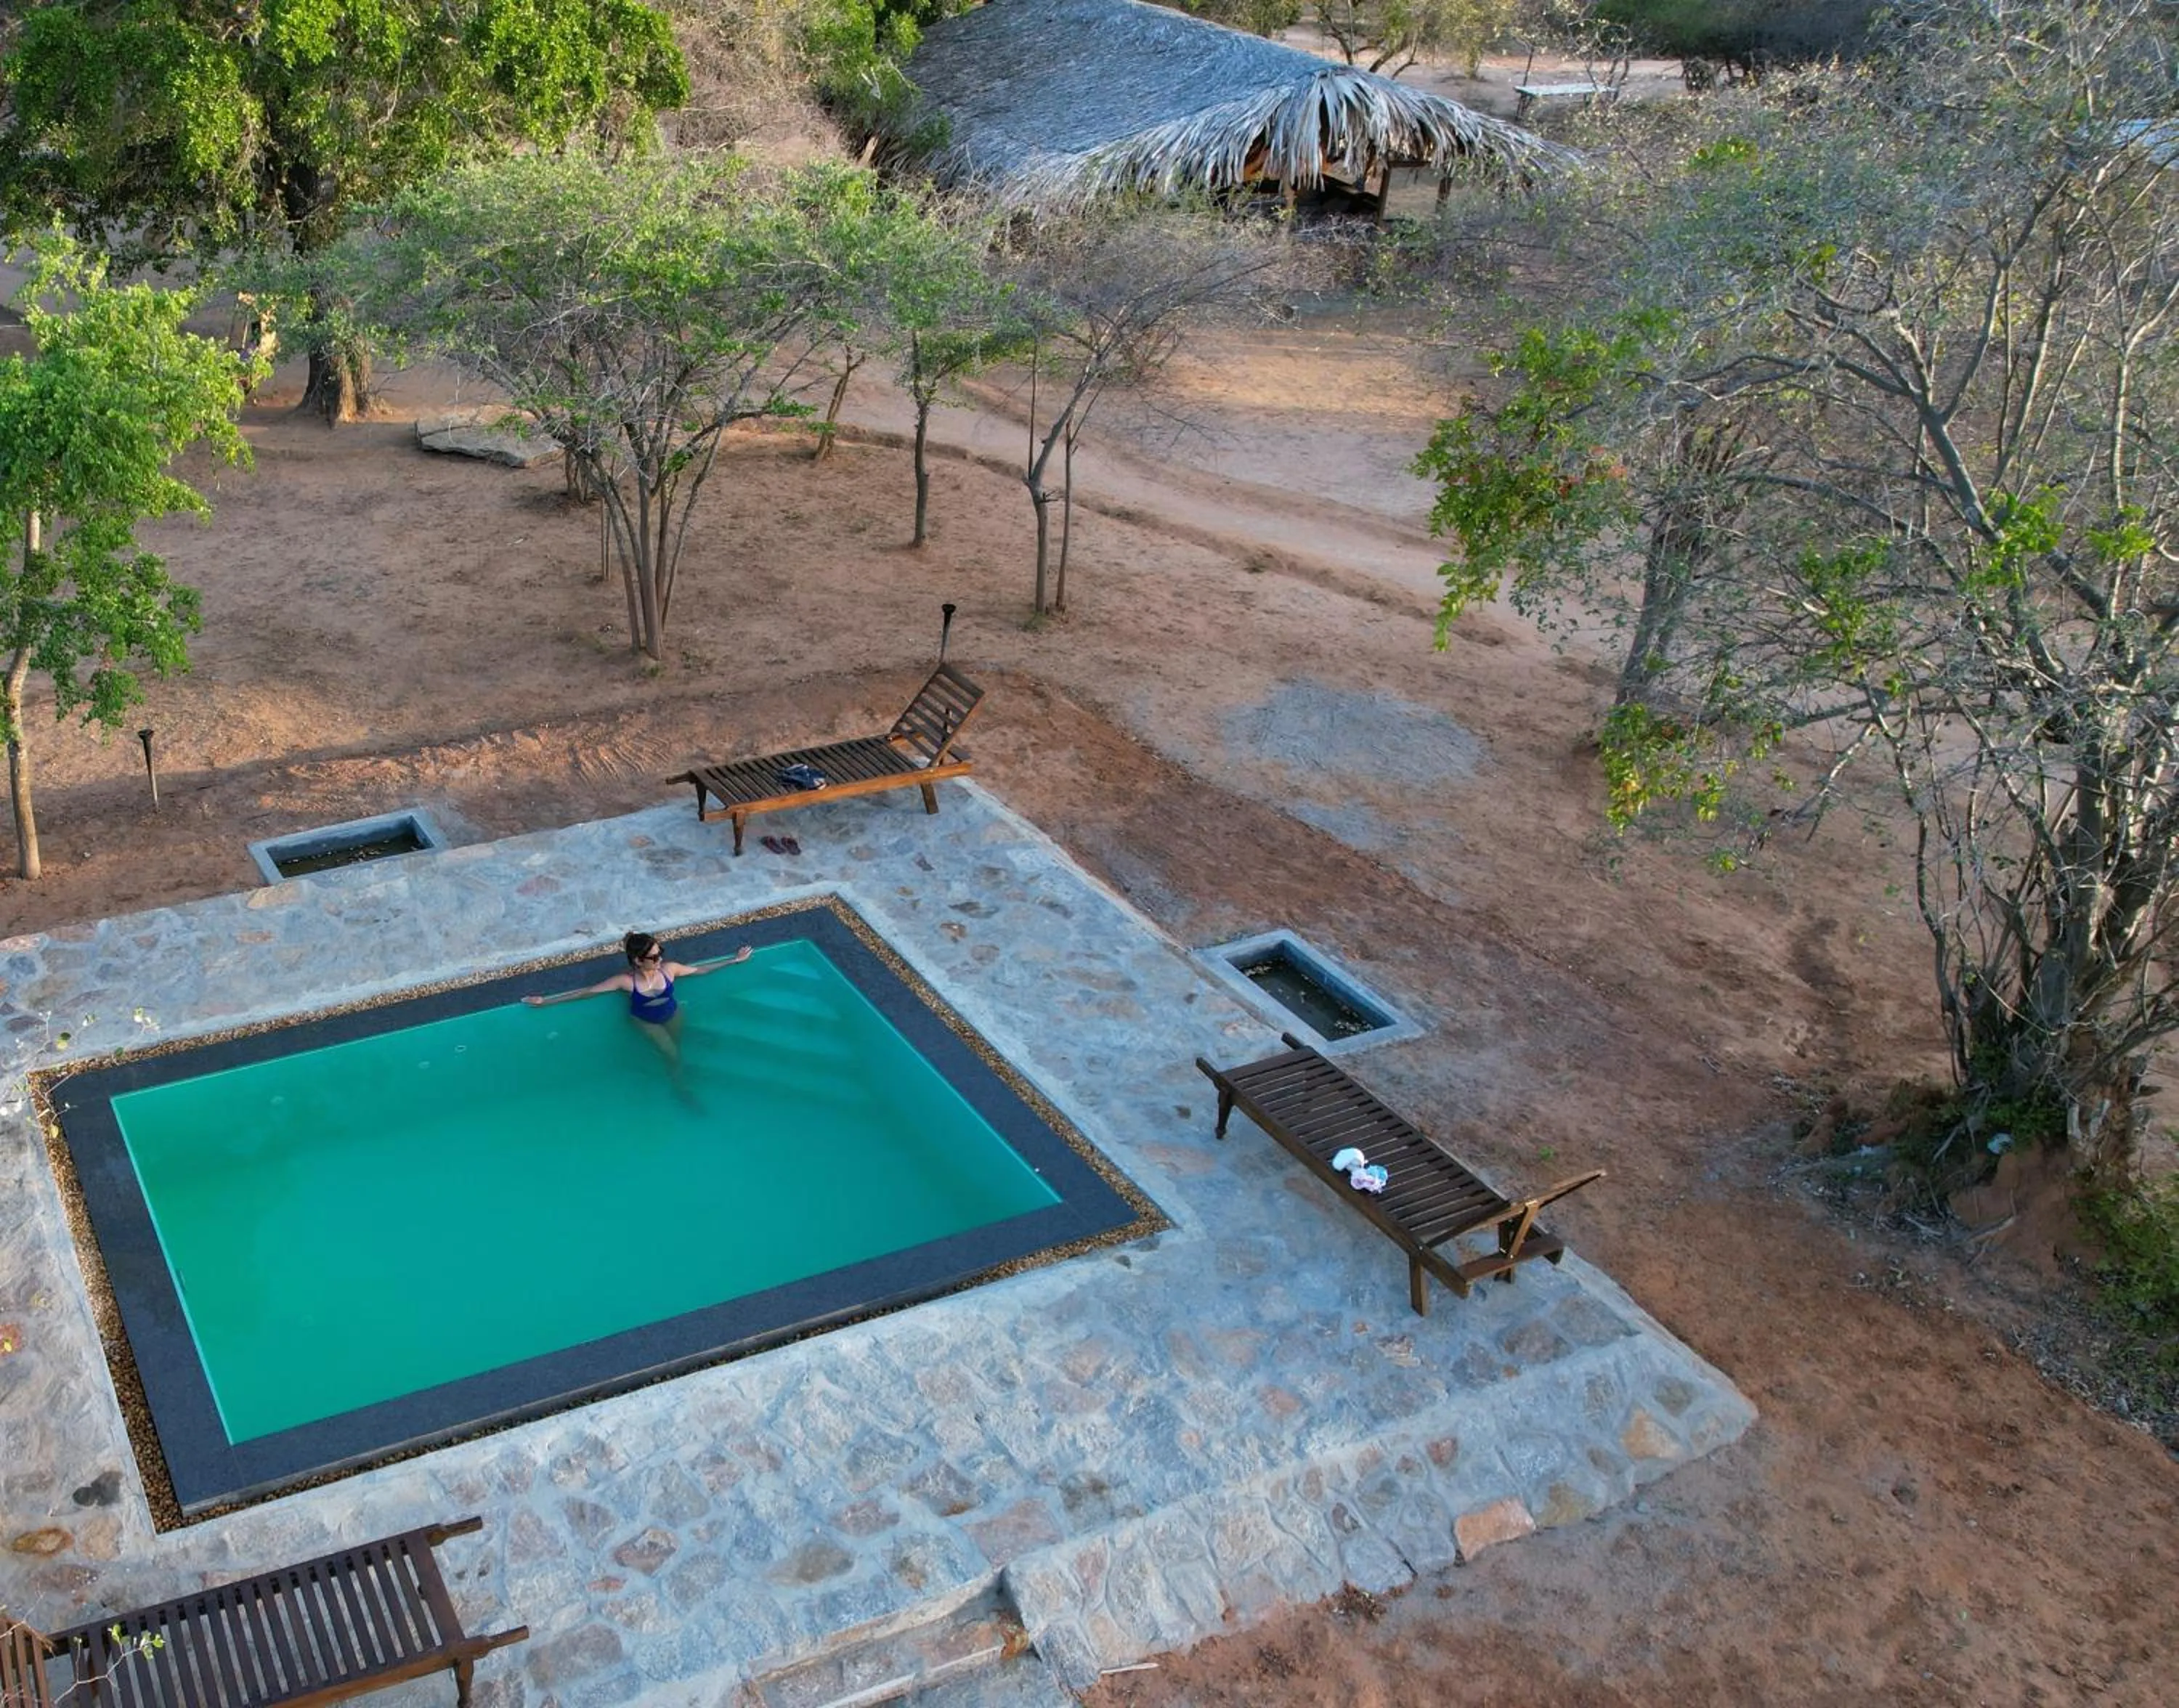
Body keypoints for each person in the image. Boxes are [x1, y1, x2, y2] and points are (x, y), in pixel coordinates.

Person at [524, 931, 750, 1070]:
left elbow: (700, 970)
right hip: (646, 1021)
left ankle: (674, 1063)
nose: (659, 958)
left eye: (660, 951)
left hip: (672, 1013)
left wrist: (734, 961)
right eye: (654, 957)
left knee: (677, 1046)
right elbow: (587, 992)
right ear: (638, 961)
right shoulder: (625, 982)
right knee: (671, 1054)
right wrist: (546, 1002)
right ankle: (680, 1086)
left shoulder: (669, 970)